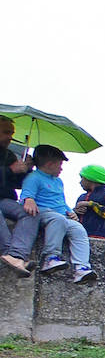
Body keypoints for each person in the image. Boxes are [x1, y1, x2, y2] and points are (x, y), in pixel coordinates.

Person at [20, 145, 95, 283]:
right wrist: (28, 200)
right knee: (58, 219)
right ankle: (50, 257)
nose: (61, 168)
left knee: (78, 229)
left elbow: (61, 201)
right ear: (49, 164)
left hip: (60, 214)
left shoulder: (58, 182)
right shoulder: (34, 178)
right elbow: (27, 195)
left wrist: (70, 211)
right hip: (43, 212)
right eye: (59, 165)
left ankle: (81, 267)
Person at [0, 116, 39, 276]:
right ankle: (9, 253)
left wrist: (26, 169)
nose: (11, 137)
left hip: (4, 199)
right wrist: (10, 170)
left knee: (31, 214)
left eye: (12, 133)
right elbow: (9, 174)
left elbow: (15, 183)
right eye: (6, 132)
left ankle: (16, 255)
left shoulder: (8, 155)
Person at [74, 164, 105, 241]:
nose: (80, 182)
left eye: (82, 178)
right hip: (80, 237)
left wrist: (92, 205)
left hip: (102, 238)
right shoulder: (82, 197)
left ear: (90, 179)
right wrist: (75, 212)